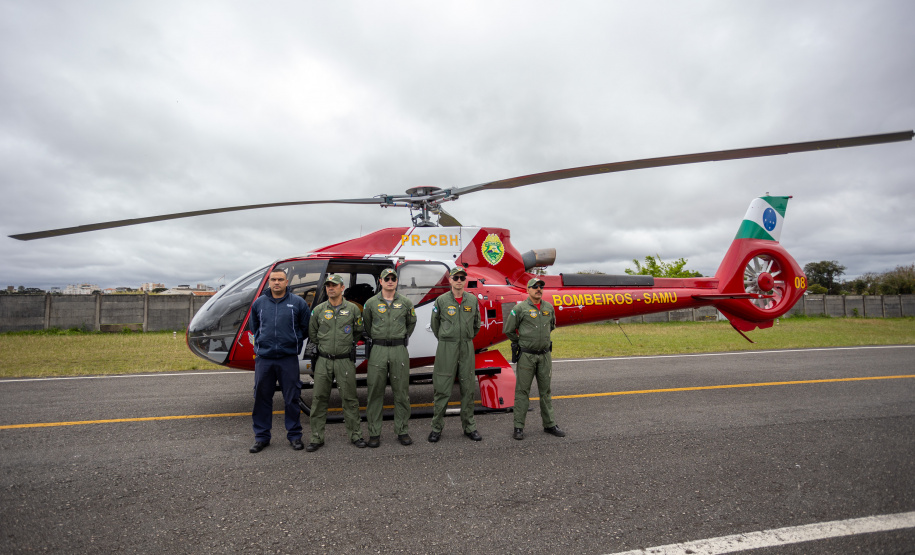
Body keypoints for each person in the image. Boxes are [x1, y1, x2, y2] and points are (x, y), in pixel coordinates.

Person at [248, 268, 311, 453]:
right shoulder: (259, 304)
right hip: (264, 359)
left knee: (292, 399)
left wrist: (293, 342)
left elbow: (305, 328)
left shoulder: (298, 303)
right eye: (273, 279)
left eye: (280, 279)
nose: (277, 282)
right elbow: (255, 327)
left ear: (286, 282)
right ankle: (261, 437)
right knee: (261, 398)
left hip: (288, 359)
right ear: (269, 282)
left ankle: (294, 436)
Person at [306, 274, 367, 451]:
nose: (330, 288)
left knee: (350, 399)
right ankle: (317, 437)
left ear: (342, 287)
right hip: (323, 360)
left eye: (334, 285)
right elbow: (313, 333)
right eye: (328, 285)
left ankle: (355, 434)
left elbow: (357, 333)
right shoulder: (318, 310)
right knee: (319, 399)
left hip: (344, 361)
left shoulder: (353, 310)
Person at [503, 277, 565, 440]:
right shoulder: (520, 308)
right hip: (527, 356)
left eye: (540, 286)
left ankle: (550, 424)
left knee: (546, 391)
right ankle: (518, 427)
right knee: (522, 391)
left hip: (544, 355)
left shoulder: (548, 307)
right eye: (535, 286)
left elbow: (551, 326)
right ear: (528, 290)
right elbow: (509, 330)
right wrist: (521, 343)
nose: (538, 289)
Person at [362, 268, 417, 447]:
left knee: (401, 392)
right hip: (378, 349)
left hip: (398, 349)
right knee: (375, 392)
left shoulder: (406, 303)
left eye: (393, 278)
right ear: (380, 281)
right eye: (387, 278)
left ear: (396, 281)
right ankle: (374, 433)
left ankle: (402, 431)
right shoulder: (370, 303)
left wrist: (399, 338)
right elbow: (367, 326)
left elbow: (411, 324)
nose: (390, 281)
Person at [428, 266, 482, 443]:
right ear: (450, 280)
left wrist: (466, 338)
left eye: (462, 277)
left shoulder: (472, 300)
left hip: (466, 346)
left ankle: (469, 427)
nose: (459, 280)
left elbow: (477, 324)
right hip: (446, 347)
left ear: (465, 280)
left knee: (468, 388)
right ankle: (436, 428)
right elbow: (435, 325)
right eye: (456, 277)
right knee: (442, 388)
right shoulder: (441, 301)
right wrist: (447, 338)